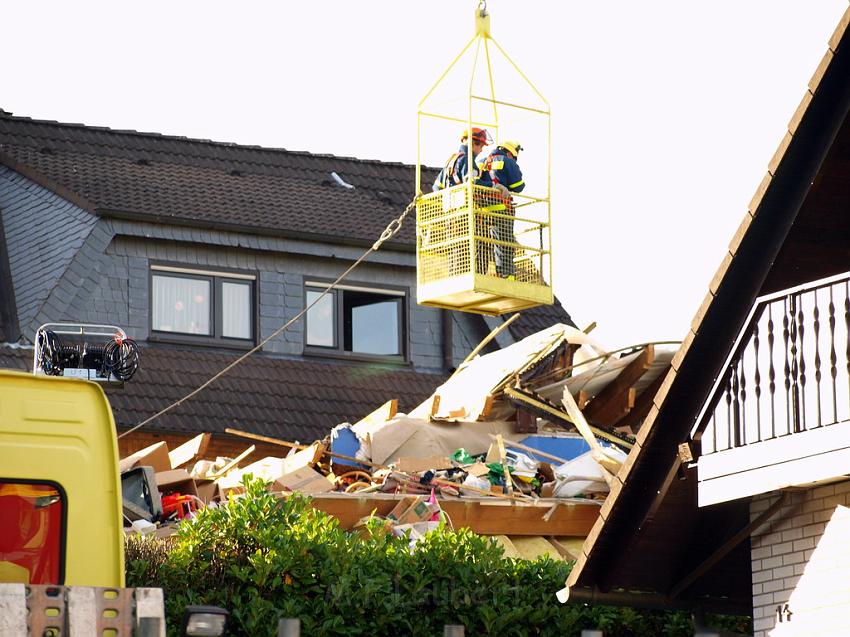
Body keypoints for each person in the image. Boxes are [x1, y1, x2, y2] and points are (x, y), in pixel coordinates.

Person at [479, 140, 524, 279]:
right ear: (510, 153)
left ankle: (480, 273)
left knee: (483, 244)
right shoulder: (507, 161)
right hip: (502, 208)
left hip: (482, 210)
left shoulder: (482, 161)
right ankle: (506, 275)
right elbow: (518, 186)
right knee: (505, 243)